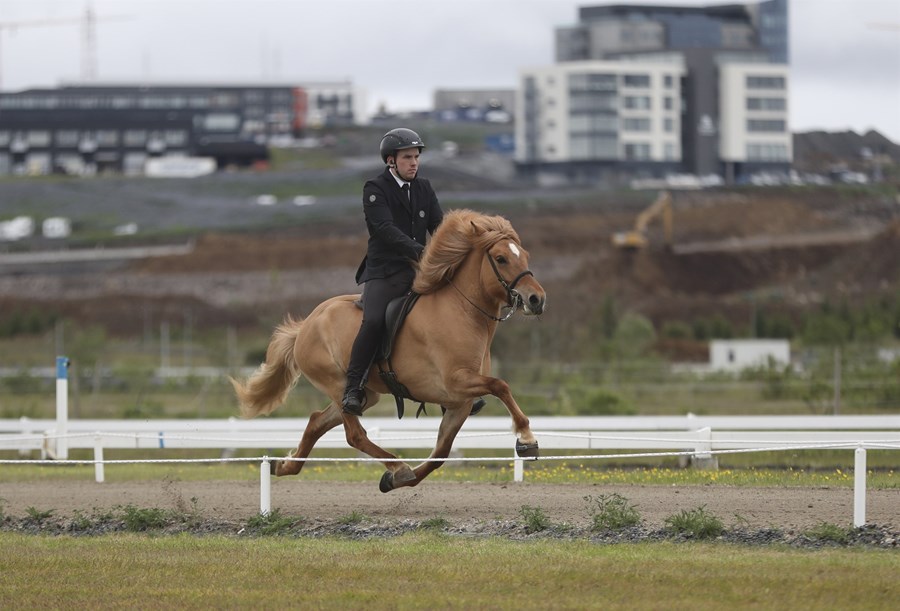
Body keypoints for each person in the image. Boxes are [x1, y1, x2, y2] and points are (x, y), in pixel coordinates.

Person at [341, 128, 443, 415]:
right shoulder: (375, 189)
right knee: (373, 321)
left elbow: (439, 227)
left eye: (416, 157)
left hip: (419, 271)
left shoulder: (425, 188)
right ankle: (353, 386)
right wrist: (422, 252)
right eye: (408, 157)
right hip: (385, 271)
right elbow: (385, 231)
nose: (414, 162)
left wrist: (453, 253)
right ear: (391, 161)